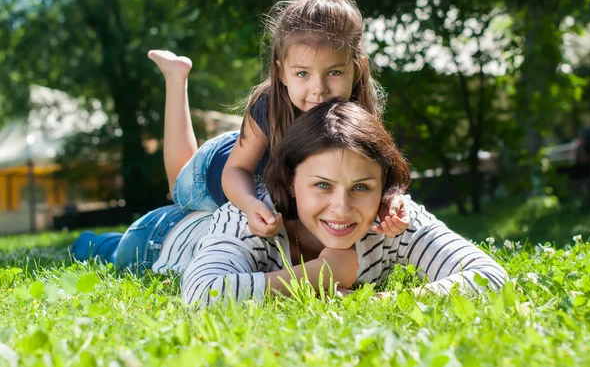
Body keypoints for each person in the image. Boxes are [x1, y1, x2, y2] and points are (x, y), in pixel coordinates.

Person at [72, 101, 508, 306]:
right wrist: (317, 276)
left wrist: (386, 304)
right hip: (161, 238)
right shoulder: (252, 214)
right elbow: (203, 295)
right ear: (288, 182)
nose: (341, 209)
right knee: (102, 249)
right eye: (321, 185)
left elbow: (490, 277)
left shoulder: (392, 219)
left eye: (361, 187)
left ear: (384, 186)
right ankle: (87, 239)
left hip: (203, 235)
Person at [147, 0, 408, 240]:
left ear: (357, 67)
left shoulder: (361, 102)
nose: (318, 90)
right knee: (177, 188)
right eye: (302, 74)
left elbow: (375, 169)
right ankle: (175, 76)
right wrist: (249, 204)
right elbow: (236, 169)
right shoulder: (268, 104)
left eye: (334, 72)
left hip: (260, 152)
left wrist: (391, 201)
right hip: (222, 166)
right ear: (281, 72)